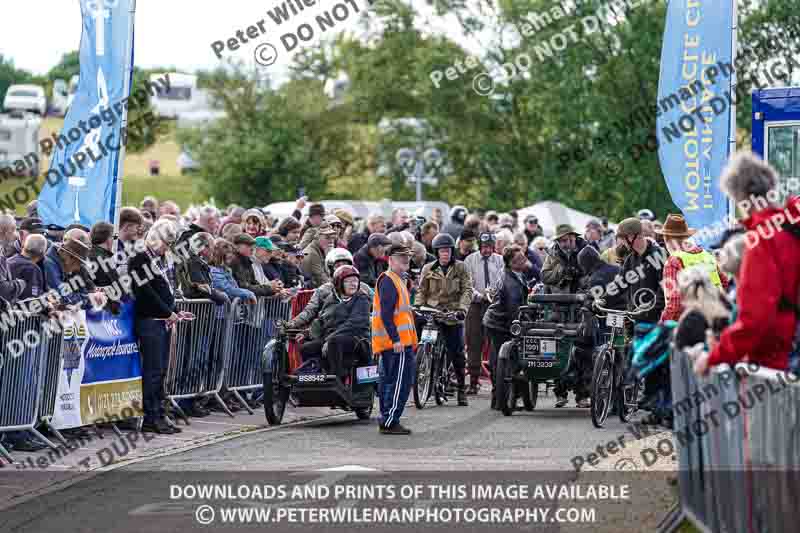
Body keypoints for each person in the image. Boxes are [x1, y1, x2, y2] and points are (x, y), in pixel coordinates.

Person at [694, 152, 800, 375]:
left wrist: (714, 356)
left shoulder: (762, 239)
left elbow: (755, 317)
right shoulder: (789, 228)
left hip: (773, 360)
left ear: (740, 195)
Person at [129, 220, 190, 434]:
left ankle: (160, 413)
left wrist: (174, 310)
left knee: (162, 370)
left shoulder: (160, 259)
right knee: (153, 370)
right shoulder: (139, 258)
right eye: (165, 242)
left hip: (162, 320)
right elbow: (145, 292)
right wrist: (167, 312)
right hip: (150, 320)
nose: (166, 247)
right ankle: (151, 416)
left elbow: (167, 288)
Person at [616, 217, 668, 422]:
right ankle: (650, 405)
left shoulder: (658, 256)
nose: (620, 243)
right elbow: (621, 285)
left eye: (622, 238)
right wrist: (599, 297)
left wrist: (648, 309)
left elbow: (663, 290)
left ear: (632, 237)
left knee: (655, 366)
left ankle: (658, 411)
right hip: (638, 318)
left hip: (656, 318)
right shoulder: (630, 260)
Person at [417, 233, 473, 406]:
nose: (445, 254)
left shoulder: (461, 268)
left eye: (448, 250)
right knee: (425, 344)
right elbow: (421, 291)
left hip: (452, 315)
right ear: (436, 251)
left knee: (456, 353)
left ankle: (462, 389)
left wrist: (462, 309)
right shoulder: (428, 269)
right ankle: (425, 369)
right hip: (432, 315)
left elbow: (467, 290)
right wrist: (418, 306)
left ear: (452, 251)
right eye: (441, 251)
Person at [373, 244, 419, 435]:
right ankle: (390, 420)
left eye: (407, 256)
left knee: (390, 381)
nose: (406, 260)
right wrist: (396, 339)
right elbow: (386, 314)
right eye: (401, 257)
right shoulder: (390, 280)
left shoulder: (397, 279)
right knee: (399, 382)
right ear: (390, 260)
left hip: (396, 342)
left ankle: (387, 418)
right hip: (397, 343)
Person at [482, 245, 531, 409]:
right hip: (500, 323)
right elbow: (513, 310)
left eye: (523, 256)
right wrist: (520, 329)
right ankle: (501, 398)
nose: (523, 260)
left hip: (496, 321)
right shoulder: (511, 283)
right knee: (504, 360)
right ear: (510, 263)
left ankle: (499, 399)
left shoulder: (515, 274)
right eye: (518, 259)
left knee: (499, 359)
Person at [658, 214, 728, 323]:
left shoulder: (673, 261)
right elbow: (724, 283)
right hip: (716, 316)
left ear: (667, 239)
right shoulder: (707, 255)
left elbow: (674, 302)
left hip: (692, 321)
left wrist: (662, 323)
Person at [463, 232, 504, 394]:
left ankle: (496, 381)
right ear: (480, 246)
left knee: (495, 342)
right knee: (474, 343)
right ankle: (473, 381)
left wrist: (494, 294)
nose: (487, 250)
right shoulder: (470, 260)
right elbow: (467, 283)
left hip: (494, 305)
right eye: (484, 247)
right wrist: (478, 295)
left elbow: (502, 280)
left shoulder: (500, 260)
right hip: (475, 305)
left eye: (489, 247)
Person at [316, 265, 371, 382]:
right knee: (307, 347)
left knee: (334, 342)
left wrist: (329, 339)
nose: (353, 284)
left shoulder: (361, 298)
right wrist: (306, 334)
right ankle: (315, 379)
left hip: (358, 339)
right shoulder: (331, 299)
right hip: (334, 337)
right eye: (348, 281)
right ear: (339, 283)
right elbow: (323, 319)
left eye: (355, 281)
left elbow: (354, 323)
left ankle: (337, 380)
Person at [231, 233, 281, 298]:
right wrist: (270, 288)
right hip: (238, 305)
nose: (270, 254)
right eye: (268, 251)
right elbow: (244, 287)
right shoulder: (235, 262)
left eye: (252, 245)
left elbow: (255, 283)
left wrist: (273, 289)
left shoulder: (249, 262)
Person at [541, 224, 586, 294]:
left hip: (582, 297)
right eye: (559, 241)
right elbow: (544, 276)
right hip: (559, 298)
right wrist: (562, 272)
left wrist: (578, 272)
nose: (562, 245)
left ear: (573, 237)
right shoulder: (553, 254)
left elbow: (594, 275)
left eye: (564, 240)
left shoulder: (586, 251)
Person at [8, 234, 47, 300]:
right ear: (42, 252)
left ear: (23, 246)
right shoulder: (32, 269)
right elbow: (32, 298)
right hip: (20, 308)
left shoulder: (8, 261)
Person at [301, 221, 338, 288]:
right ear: (317, 237)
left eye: (332, 237)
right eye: (327, 237)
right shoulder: (312, 254)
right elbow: (323, 281)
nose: (331, 241)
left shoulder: (321, 249)